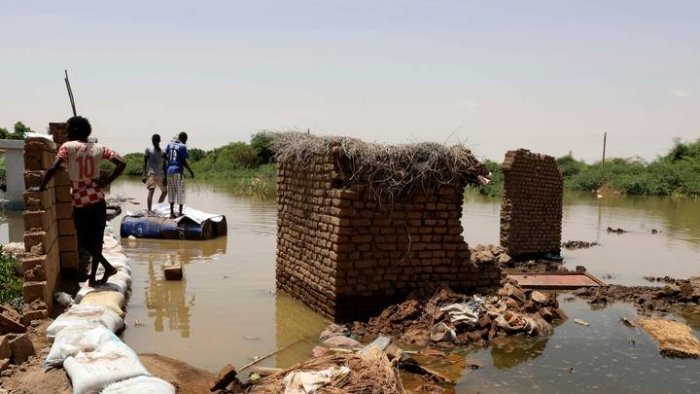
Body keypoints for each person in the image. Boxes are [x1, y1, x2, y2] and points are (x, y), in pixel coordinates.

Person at [37, 116, 126, 287]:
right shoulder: (99, 148)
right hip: (98, 201)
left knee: (85, 241)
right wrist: (107, 182)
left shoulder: (67, 147)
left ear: (76, 130)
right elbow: (121, 163)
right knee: (96, 239)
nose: (67, 133)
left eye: (69, 129)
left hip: (80, 202)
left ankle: (104, 269)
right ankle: (96, 275)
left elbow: (54, 167)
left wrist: (41, 188)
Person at [164, 131, 195, 218]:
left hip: (169, 171)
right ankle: (180, 213)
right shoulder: (182, 146)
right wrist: (191, 171)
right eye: (186, 140)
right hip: (177, 171)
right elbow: (184, 161)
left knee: (171, 192)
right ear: (184, 138)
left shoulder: (170, 145)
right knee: (180, 191)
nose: (186, 142)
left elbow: (165, 155)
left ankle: (171, 213)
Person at [142, 133, 167, 213]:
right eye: (153, 141)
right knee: (151, 190)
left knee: (165, 191)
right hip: (151, 174)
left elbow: (165, 165)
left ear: (159, 141)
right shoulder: (148, 150)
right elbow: (145, 163)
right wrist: (144, 174)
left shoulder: (163, 151)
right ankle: (149, 210)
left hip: (161, 174)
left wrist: (166, 177)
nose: (154, 142)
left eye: (155, 141)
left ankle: (158, 208)